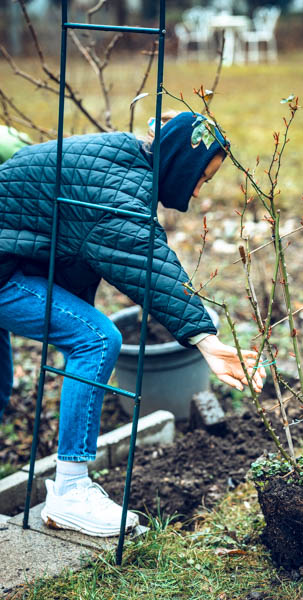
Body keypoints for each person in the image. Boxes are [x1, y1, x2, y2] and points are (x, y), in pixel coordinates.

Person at [0, 112, 265, 537]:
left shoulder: (121, 155)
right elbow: (147, 262)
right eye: (201, 178)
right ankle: (69, 491)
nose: (198, 191)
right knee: (95, 339)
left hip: (10, 259)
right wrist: (205, 340)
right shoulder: (117, 188)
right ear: (179, 162)